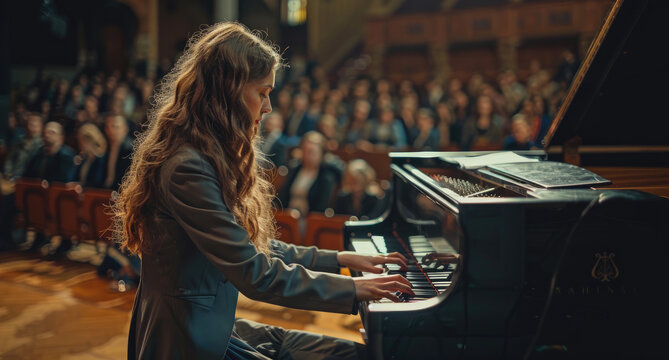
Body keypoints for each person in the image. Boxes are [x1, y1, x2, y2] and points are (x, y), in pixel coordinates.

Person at [112, 22, 413, 360]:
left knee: (353, 354)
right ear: (229, 91)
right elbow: (254, 273)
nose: (268, 107)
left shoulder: (206, 153)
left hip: (212, 325)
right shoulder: (188, 167)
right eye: (263, 92)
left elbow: (254, 248)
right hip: (187, 341)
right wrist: (355, 288)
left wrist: (341, 260)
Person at [277, 131, 341, 216]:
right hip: (289, 216)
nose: (307, 156)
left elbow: (321, 208)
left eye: (312, 152)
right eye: (305, 151)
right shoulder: (295, 169)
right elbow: (283, 196)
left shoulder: (326, 177)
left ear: (321, 154)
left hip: (310, 221)